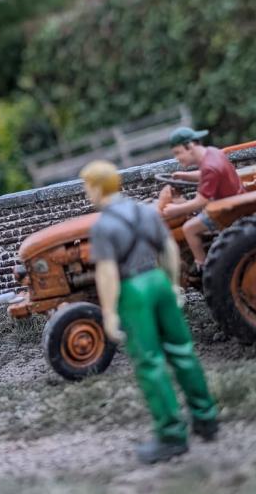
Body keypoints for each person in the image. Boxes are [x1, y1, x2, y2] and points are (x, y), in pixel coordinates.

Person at [81, 160, 220, 464]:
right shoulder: (145, 212)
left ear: (98, 188)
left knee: (150, 362)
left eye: (87, 187)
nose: (86, 192)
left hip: (134, 289)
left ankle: (171, 434)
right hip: (158, 281)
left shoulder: (103, 226)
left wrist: (109, 313)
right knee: (182, 351)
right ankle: (206, 418)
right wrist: (171, 284)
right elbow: (168, 249)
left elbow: (107, 272)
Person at [160, 126, 243, 273]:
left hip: (226, 209)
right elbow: (206, 175)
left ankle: (202, 267)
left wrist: (175, 210)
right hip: (233, 198)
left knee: (189, 228)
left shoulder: (210, 167)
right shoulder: (212, 153)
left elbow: (200, 202)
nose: (177, 158)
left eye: (178, 153)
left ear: (190, 146)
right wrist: (184, 176)